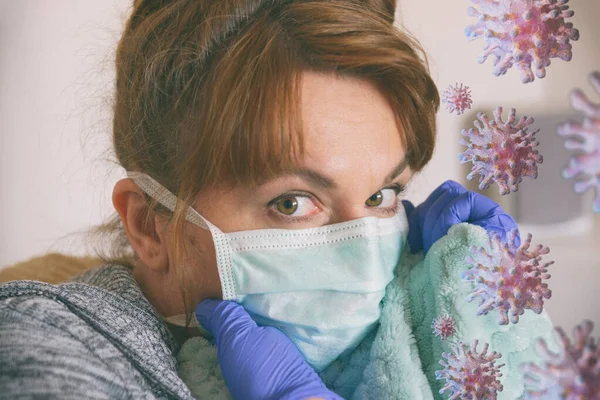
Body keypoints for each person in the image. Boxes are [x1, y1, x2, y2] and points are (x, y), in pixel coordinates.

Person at [0, 0, 518, 398]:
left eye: (382, 195)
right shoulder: (47, 344)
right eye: (292, 203)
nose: (364, 256)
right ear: (150, 226)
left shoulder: (417, 328)